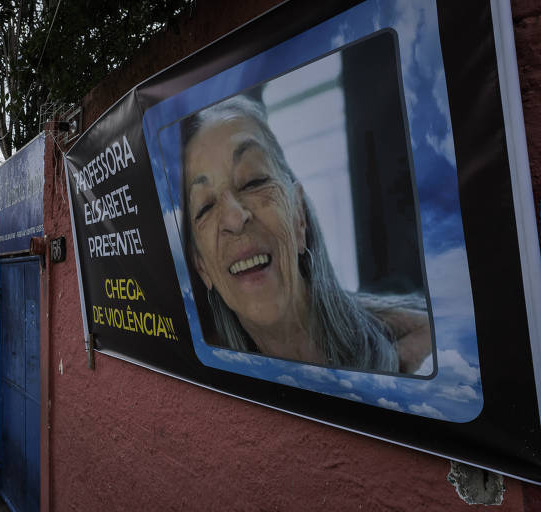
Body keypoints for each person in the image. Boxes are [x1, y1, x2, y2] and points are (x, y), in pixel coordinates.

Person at [181, 93, 431, 373]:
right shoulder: (218, 374)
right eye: (204, 206)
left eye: (254, 181)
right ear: (201, 266)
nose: (234, 218)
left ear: (299, 215)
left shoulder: (426, 344)